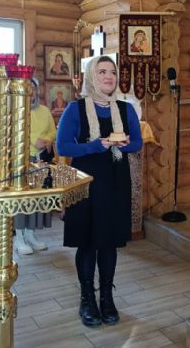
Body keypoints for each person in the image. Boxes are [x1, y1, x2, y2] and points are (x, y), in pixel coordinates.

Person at [56, 56, 142, 327]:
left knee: (108, 241)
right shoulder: (76, 109)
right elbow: (63, 147)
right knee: (87, 241)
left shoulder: (126, 109)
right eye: (102, 71)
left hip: (115, 181)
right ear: (92, 76)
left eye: (112, 72)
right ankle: (87, 298)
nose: (109, 76)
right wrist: (95, 146)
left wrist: (125, 144)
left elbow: (137, 143)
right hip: (85, 183)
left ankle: (106, 297)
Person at [14, 78, 56, 255]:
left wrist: (46, 140)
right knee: (22, 198)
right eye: (27, 88)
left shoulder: (44, 110)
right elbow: (16, 131)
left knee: (36, 198)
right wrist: (34, 141)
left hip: (41, 158)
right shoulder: (16, 110)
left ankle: (30, 234)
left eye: (33, 88)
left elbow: (52, 130)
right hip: (22, 159)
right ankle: (18, 237)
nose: (31, 92)